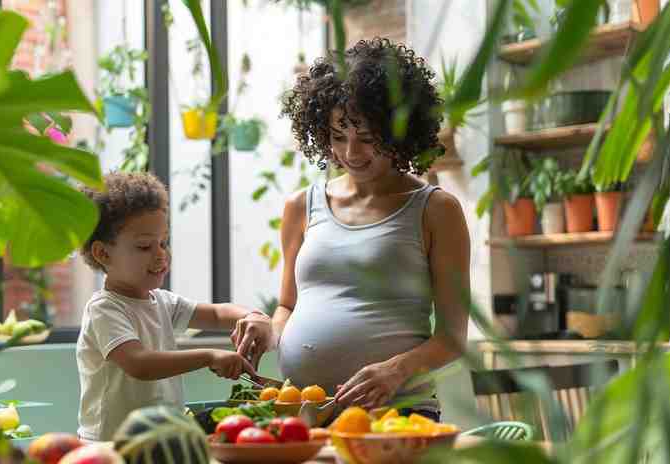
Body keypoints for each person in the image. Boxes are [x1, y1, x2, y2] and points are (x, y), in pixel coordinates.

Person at [275, 37, 470, 420]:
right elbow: (286, 306)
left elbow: (452, 339)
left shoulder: (437, 210)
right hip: (305, 413)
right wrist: (267, 329)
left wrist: (395, 369)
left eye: (367, 138)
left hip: (397, 414)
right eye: (337, 137)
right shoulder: (300, 206)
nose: (351, 153)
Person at [76, 172, 273, 441]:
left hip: (161, 440)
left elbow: (216, 314)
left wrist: (254, 316)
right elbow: (140, 364)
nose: (161, 254)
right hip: (111, 446)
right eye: (145, 246)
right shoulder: (105, 309)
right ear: (103, 254)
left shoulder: (162, 301)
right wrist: (209, 356)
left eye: (163, 242)